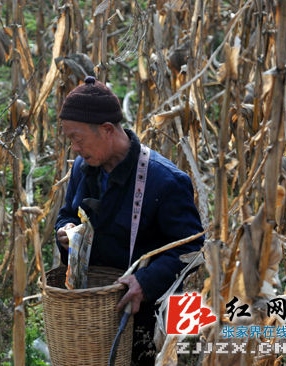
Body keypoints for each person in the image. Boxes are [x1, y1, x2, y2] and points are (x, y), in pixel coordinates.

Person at [55, 76, 204, 365]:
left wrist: (145, 282)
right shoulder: (82, 167)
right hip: (93, 315)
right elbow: (67, 214)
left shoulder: (165, 181)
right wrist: (64, 231)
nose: (74, 147)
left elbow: (194, 249)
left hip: (146, 321)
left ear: (107, 130)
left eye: (77, 137)